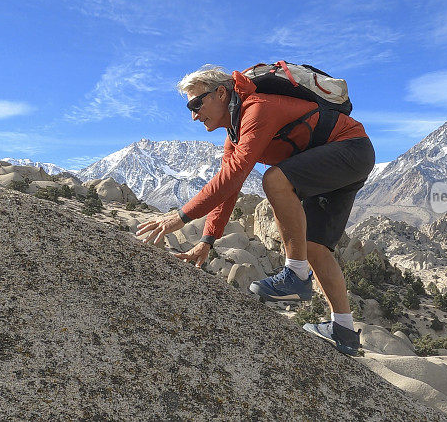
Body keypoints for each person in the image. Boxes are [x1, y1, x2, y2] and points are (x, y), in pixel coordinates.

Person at [136, 65, 375, 355]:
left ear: (221, 93)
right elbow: (228, 189)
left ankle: (295, 275)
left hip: (350, 149)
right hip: (343, 159)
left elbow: (234, 176)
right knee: (313, 246)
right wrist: (206, 241)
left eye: (196, 103)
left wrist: (180, 217)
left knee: (274, 179)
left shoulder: (258, 109)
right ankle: (344, 330)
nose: (194, 115)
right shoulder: (234, 135)